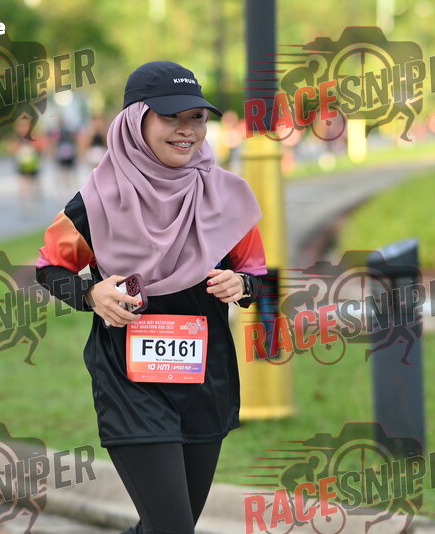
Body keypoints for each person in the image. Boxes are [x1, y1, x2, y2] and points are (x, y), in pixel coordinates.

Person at [35, 60, 267, 534]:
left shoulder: (227, 197)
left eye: (196, 117)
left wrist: (242, 286)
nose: (187, 130)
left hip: (206, 382)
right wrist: (90, 294)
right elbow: (48, 268)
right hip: (130, 385)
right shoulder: (96, 201)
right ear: (134, 121)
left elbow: (259, 276)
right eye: (171, 117)